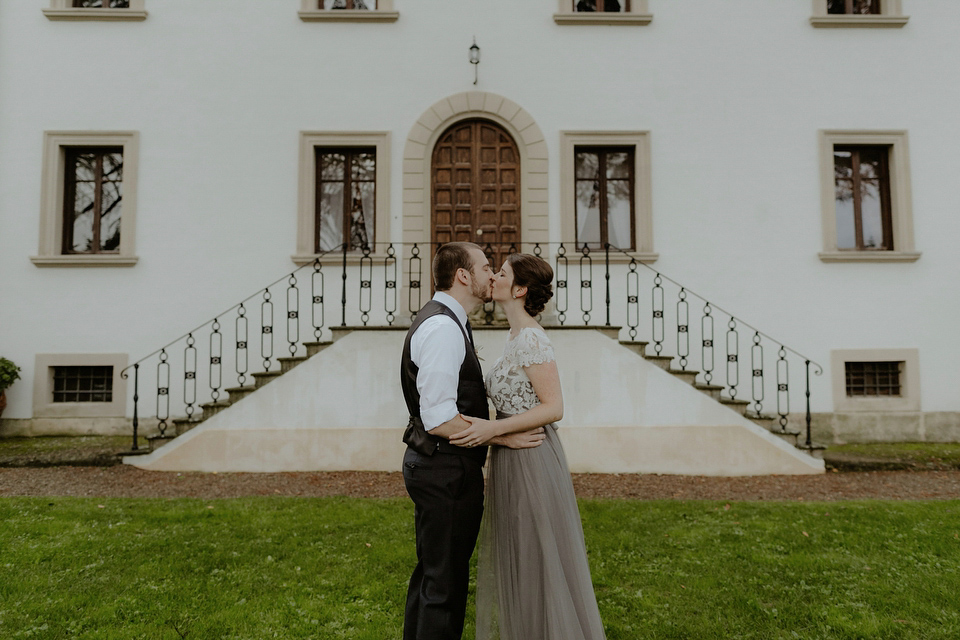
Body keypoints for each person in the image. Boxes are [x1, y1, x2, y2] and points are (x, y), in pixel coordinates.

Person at [450, 253, 607, 639]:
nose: (493, 277)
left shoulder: (532, 338)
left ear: (518, 289)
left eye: (500, 273)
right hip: (510, 454)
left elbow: (554, 407)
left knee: (538, 556)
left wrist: (490, 430)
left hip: (532, 458)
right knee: (521, 557)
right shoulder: (515, 336)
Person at [399, 242, 546, 640]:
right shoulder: (444, 328)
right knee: (443, 587)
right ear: (463, 276)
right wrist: (502, 438)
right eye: (484, 267)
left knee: (434, 575)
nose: (491, 274)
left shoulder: (447, 321)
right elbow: (440, 418)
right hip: (444, 471)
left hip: (438, 467)